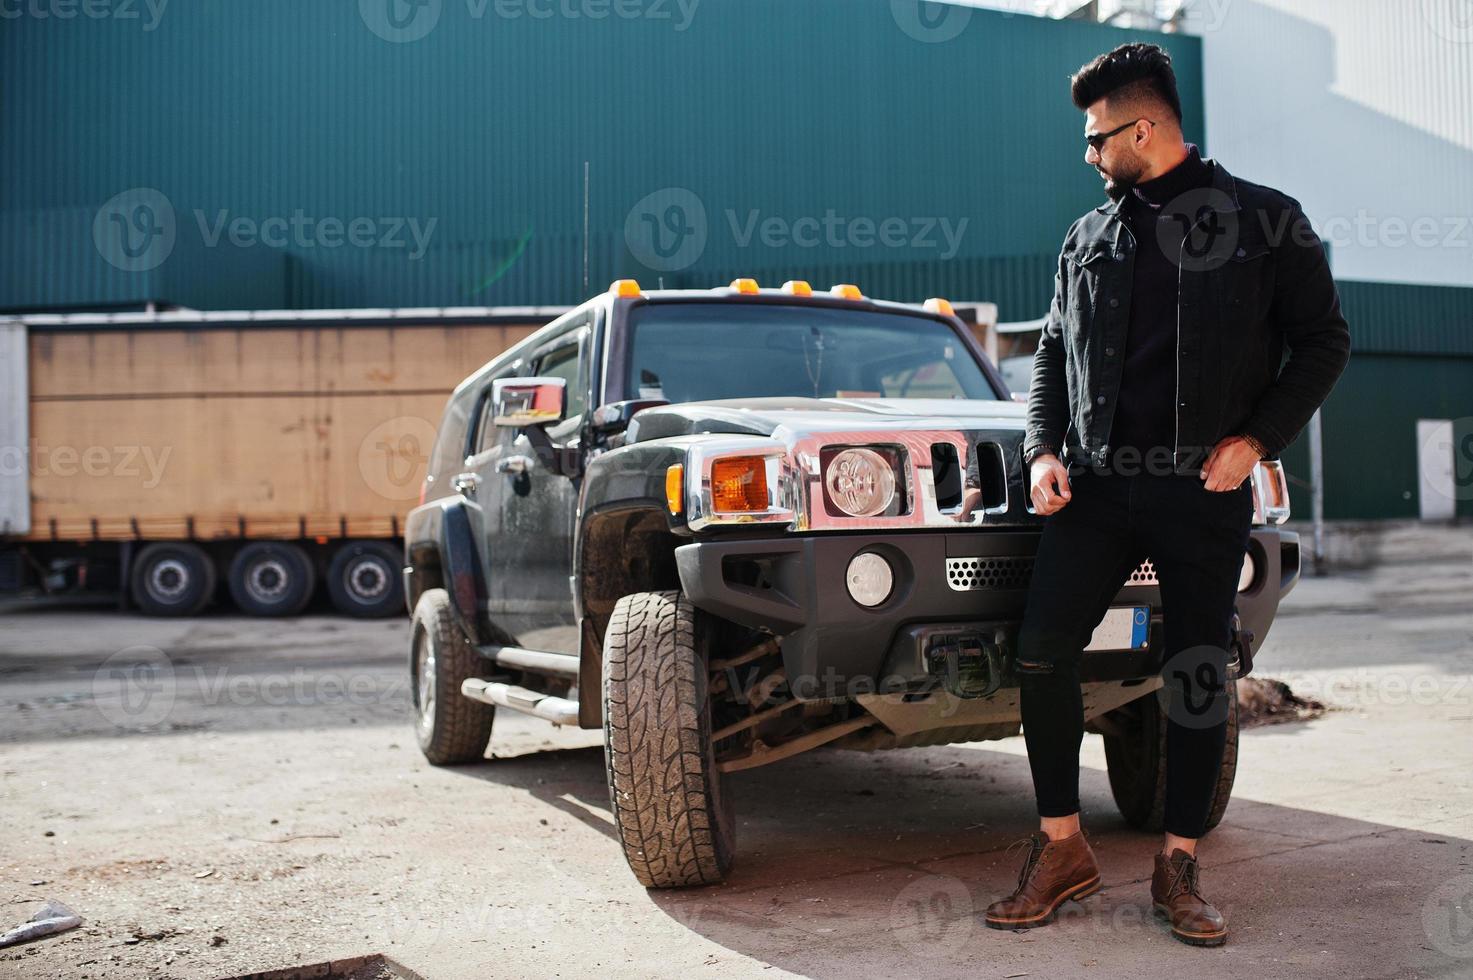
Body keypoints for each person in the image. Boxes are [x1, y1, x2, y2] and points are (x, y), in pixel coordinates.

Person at [982, 42, 1351, 947]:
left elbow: (1322, 342)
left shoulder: (1265, 222)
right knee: (1040, 654)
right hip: (1098, 489)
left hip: (1199, 494)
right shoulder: (1087, 236)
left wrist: (1255, 442)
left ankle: (1177, 865)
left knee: (1194, 674)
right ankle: (1061, 848)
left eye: (1096, 138)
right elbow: (1048, 356)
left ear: (1142, 128)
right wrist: (1039, 451)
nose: (1088, 155)